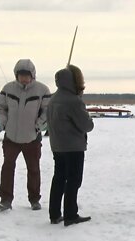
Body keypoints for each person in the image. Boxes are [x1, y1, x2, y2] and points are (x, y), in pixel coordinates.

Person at [0, 59, 51, 211]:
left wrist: (38, 126)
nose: (24, 78)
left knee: (33, 169)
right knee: (7, 167)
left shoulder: (42, 90)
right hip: (11, 137)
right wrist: (4, 123)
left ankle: (34, 199)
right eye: (21, 75)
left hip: (32, 138)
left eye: (27, 75)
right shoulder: (8, 88)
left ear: (33, 75)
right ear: (16, 75)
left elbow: (47, 111)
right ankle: (5, 199)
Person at [47, 65, 94, 226]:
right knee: (74, 180)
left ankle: (54, 213)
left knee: (59, 178)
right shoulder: (73, 101)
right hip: (73, 147)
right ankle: (70, 214)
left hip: (57, 146)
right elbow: (87, 125)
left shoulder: (53, 99)